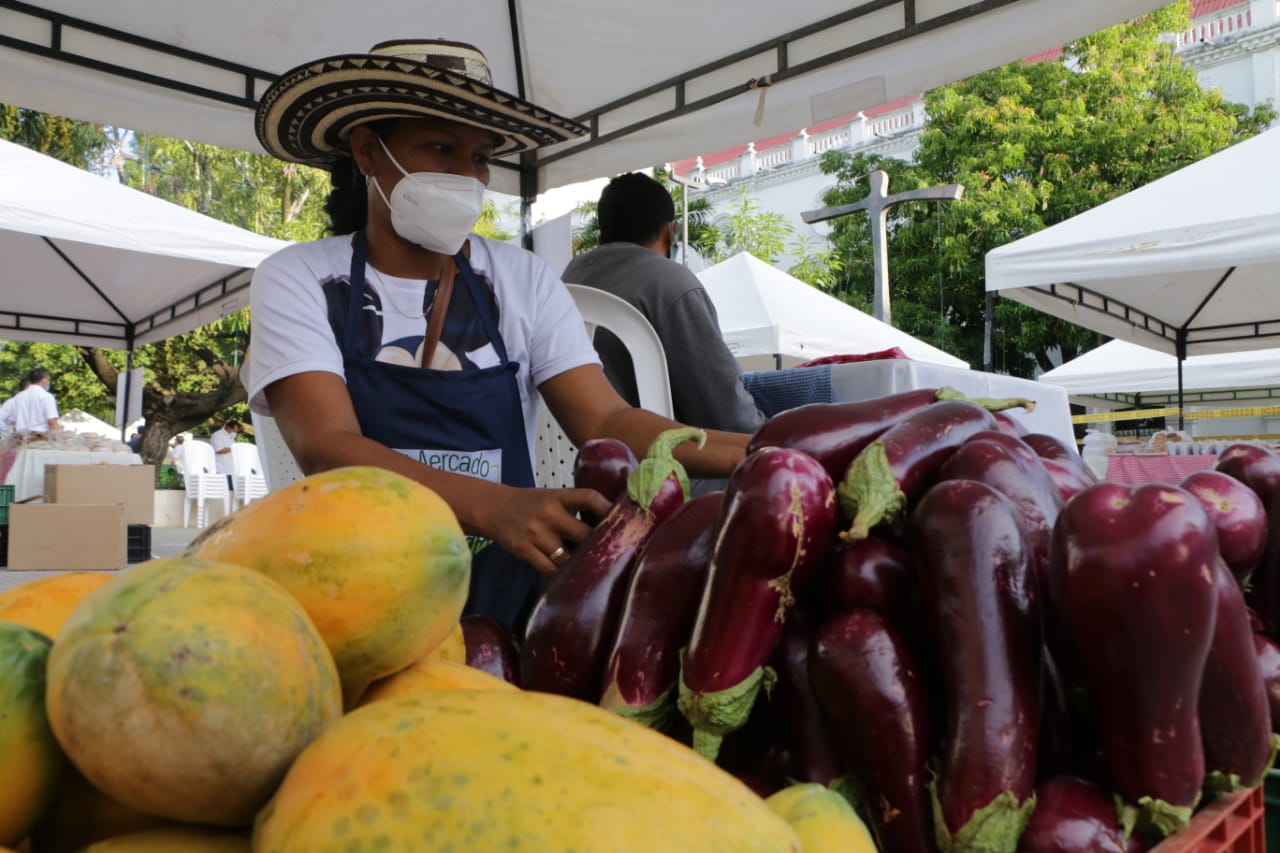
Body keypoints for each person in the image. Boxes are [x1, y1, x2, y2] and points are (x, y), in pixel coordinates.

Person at [247, 39, 748, 631]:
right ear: (367, 151)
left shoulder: (521, 280)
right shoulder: (299, 277)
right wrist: (496, 507)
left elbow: (609, 423)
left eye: (480, 156)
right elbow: (328, 446)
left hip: (504, 589)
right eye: (440, 147)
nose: (466, 175)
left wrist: (766, 453)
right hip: (357, 587)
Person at [563, 172, 765, 435]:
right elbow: (728, 416)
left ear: (601, 238)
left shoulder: (568, 278)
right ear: (672, 232)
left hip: (579, 461)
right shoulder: (671, 283)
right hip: (664, 464)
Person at [9, 367, 59, 438]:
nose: (48, 382)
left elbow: (12, 422)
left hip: (20, 439)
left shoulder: (18, 397)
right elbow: (52, 422)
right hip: (39, 438)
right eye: (48, 379)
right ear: (44, 379)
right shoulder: (46, 396)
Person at [210, 420, 240, 489]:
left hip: (231, 469)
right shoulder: (217, 435)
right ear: (228, 427)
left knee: (232, 491)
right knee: (224, 490)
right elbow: (219, 449)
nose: (234, 433)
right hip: (221, 468)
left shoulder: (231, 436)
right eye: (233, 430)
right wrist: (234, 448)